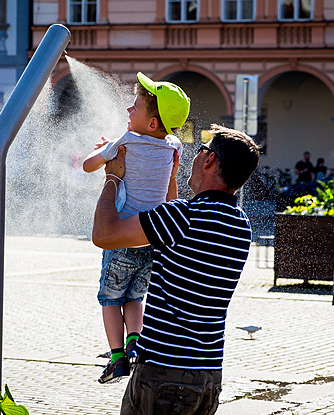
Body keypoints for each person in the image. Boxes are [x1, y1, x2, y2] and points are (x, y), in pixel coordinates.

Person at [92, 124, 259, 414]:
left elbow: (104, 235)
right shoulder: (240, 225)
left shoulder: (182, 218)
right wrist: (170, 175)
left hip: (163, 372)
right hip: (208, 375)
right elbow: (174, 228)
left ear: (209, 160)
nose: (195, 157)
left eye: (201, 150)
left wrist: (112, 178)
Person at [82, 72, 190, 384]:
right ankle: (135, 343)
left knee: (110, 299)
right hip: (151, 240)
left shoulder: (127, 141)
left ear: (152, 123)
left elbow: (87, 164)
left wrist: (105, 153)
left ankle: (116, 358)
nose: (129, 110)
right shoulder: (173, 149)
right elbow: (171, 199)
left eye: (135, 107)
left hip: (120, 238)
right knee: (134, 298)